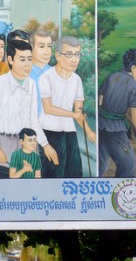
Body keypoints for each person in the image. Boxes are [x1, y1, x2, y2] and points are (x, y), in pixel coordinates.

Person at [0, 40, 57, 164]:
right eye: (22, 60)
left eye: (30, 59)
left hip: (28, 143)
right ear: (10, 60)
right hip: (5, 143)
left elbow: (33, 120)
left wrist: (45, 145)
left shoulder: (32, 84)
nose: (28, 64)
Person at [38, 36, 96, 178]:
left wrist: (89, 131)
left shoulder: (76, 79)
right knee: (53, 175)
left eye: (77, 55)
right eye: (69, 55)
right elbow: (48, 108)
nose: (74, 60)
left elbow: (79, 111)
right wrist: (73, 115)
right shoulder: (46, 77)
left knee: (74, 174)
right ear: (58, 55)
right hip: (50, 132)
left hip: (70, 132)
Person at [98, 49, 136, 177]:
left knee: (101, 165)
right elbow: (135, 118)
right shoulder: (133, 85)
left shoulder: (111, 77)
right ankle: (122, 193)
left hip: (100, 126)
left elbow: (100, 100)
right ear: (133, 67)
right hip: (115, 131)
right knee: (128, 164)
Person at [29, 29, 53, 115]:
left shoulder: (56, 73)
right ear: (31, 47)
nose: (47, 52)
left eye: (49, 46)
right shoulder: (23, 74)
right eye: (42, 47)